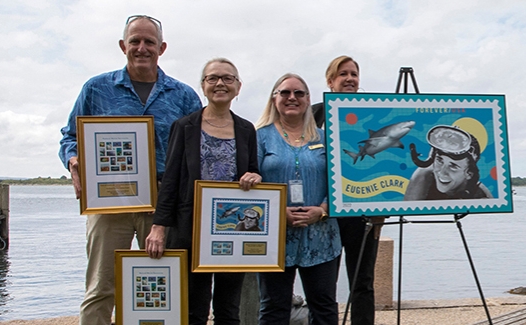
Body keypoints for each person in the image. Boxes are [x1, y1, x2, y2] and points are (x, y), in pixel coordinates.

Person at [57, 15, 201, 325]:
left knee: (165, 284)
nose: (141, 48)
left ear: (161, 48)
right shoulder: (96, 89)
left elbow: (197, 151)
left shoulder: (184, 95)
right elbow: (70, 137)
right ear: (123, 46)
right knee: (100, 287)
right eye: (135, 41)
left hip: (164, 202)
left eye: (149, 42)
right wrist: (73, 161)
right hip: (109, 202)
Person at [145, 58, 259, 325]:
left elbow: (252, 170)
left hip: (233, 230)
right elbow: (171, 178)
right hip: (190, 229)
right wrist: (159, 227)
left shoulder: (246, 129)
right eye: (212, 78)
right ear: (203, 86)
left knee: (229, 308)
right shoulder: (184, 126)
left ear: (238, 87)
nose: (220, 83)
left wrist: (254, 176)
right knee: (193, 307)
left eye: (227, 78)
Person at [257, 73, 343, 324]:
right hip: (275, 237)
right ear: (274, 99)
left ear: (308, 100)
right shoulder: (259, 136)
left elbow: (340, 181)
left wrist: (323, 210)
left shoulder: (326, 138)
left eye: (299, 93)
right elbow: (250, 180)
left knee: (324, 307)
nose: (291, 98)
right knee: (273, 308)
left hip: (321, 236)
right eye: (284, 93)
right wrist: (276, 212)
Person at [311, 55, 380, 325]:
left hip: (362, 214)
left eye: (354, 73)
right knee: (322, 285)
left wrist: (383, 210)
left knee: (363, 283)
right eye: (343, 74)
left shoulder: (371, 112)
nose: (350, 78)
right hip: (323, 211)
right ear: (330, 81)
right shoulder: (313, 114)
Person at [404, 125, 494, 200]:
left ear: (469, 173)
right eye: (439, 160)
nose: (442, 173)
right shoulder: (423, 175)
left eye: (453, 166)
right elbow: (409, 209)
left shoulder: (482, 196)